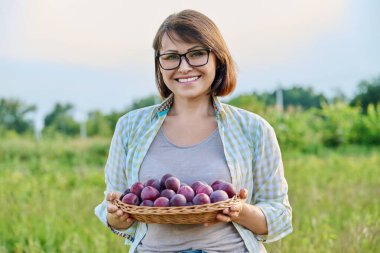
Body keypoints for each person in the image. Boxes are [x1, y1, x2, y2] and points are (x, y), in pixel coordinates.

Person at [95, 9, 292, 253]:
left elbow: (280, 215)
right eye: (171, 57)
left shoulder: (253, 129)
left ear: (218, 58)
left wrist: (240, 211)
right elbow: (112, 205)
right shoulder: (130, 127)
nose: (184, 67)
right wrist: (116, 216)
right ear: (159, 63)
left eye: (197, 54)